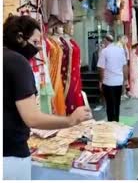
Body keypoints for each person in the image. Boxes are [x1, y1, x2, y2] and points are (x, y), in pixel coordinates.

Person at [3, 15, 92, 180]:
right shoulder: (17, 63)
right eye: (35, 42)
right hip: (11, 155)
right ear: (19, 37)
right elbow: (32, 118)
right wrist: (70, 120)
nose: (37, 48)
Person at [97, 34, 129, 122]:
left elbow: (101, 68)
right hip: (118, 81)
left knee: (110, 105)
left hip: (108, 82)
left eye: (103, 41)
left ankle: (111, 123)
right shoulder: (120, 50)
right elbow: (125, 66)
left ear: (105, 41)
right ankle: (117, 122)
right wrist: (126, 80)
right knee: (117, 104)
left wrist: (100, 81)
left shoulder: (104, 51)